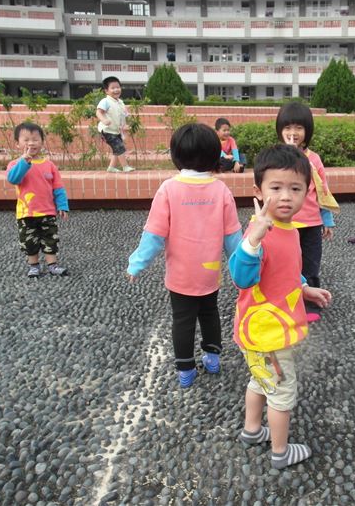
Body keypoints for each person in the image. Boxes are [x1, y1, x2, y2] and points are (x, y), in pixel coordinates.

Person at [228, 144, 332, 469]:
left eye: (295, 189)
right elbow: (241, 277)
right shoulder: (260, 233)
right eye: (276, 188)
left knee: (260, 380)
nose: (286, 196)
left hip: (261, 332)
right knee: (282, 391)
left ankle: (252, 430)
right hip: (268, 335)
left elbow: (286, 271)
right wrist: (252, 242)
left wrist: (304, 288)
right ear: (258, 191)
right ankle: (280, 451)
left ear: (307, 192)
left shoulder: (288, 228)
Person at [127, 124, 242, 388]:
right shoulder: (221, 190)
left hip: (180, 275)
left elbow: (154, 234)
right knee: (210, 314)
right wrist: (243, 271)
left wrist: (136, 264)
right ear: (214, 155)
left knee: (183, 320)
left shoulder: (169, 189)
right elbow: (233, 237)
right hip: (209, 273)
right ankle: (213, 359)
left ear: (176, 155)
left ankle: (186, 370)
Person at [276, 102, 339, 322]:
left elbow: (322, 190)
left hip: (311, 223)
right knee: (284, 264)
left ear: (307, 131)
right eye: (287, 127)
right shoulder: (277, 158)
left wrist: (326, 219)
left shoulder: (314, 159)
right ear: (280, 130)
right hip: (284, 223)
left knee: (310, 264)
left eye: (299, 128)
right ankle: (284, 300)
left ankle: (310, 302)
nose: (293, 133)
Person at [6, 122, 70, 278]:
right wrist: (25, 161)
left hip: (47, 211)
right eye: (26, 140)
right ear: (17, 144)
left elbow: (58, 188)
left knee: (50, 239)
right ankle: (33, 265)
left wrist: (62, 205)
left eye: (35, 139)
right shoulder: (15, 164)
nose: (31, 143)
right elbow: (13, 179)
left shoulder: (49, 165)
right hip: (26, 213)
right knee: (29, 241)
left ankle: (52, 265)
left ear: (42, 142)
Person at [96, 76, 135, 173]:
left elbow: (124, 115)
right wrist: (104, 120)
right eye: (113, 88)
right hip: (107, 130)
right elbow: (98, 112)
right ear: (106, 91)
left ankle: (111, 167)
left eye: (118, 87)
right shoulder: (106, 101)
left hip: (116, 130)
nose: (116, 90)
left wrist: (125, 125)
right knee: (119, 146)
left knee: (116, 149)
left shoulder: (121, 102)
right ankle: (125, 166)